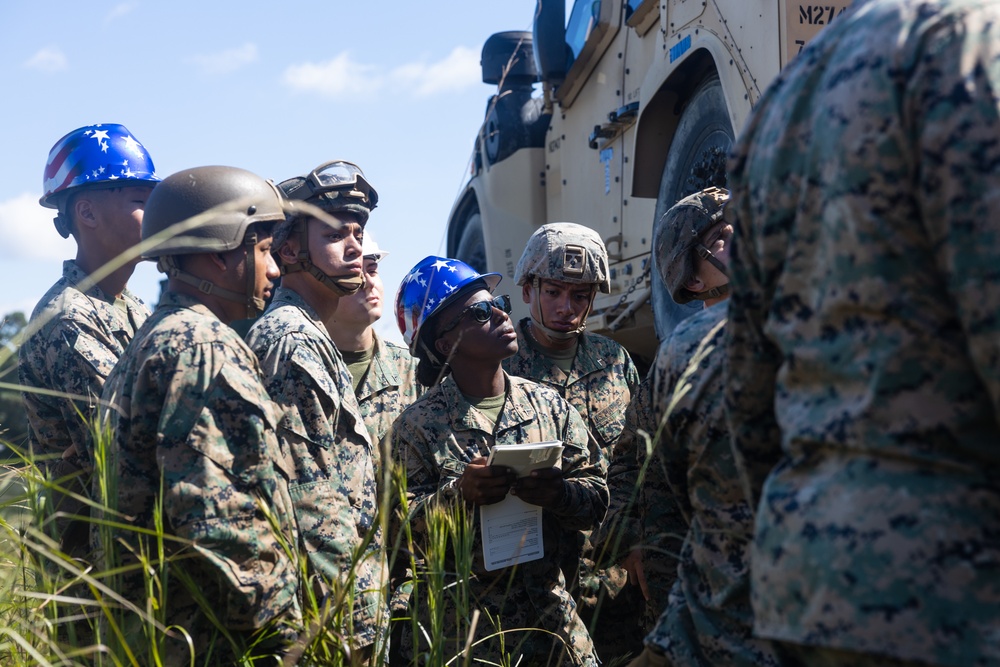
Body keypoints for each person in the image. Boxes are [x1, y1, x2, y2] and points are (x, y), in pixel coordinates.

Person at [725, 1, 1000, 666]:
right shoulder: (968, 41)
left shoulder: (782, 99)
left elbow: (749, 394)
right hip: (958, 589)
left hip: (816, 584)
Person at [97, 166, 301, 665]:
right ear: (218, 252)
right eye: (263, 251)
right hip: (214, 641)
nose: (275, 269)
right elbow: (216, 517)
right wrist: (287, 631)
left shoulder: (155, 337)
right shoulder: (202, 346)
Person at [391, 255, 608, 666]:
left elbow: (598, 498)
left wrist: (559, 493)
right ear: (444, 344)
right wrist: (459, 496)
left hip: (554, 628)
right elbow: (397, 537)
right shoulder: (416, 428)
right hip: (468, 640)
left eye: (499, 303)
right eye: (479, 312)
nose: (501, 315)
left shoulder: (549, 406)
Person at [627, 187, 779, 667]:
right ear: (691, 280)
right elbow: (655, 497)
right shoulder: (676, 365)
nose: (739, 235)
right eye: (718, 235)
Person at [245, 160, 386, 663]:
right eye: (334, 234)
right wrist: (351, 630)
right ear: (288, 250)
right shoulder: (293, 339)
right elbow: (311, 503)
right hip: (330, 623)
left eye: (359, 231)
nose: (356, 247)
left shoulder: (310, 333)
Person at [502, 222, 643, 660]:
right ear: (527, 289)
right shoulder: (500, 364)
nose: (566, 307)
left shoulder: (613, 361)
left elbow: (641, 461)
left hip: (614, 577)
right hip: (532, 584)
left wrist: (637, 543)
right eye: (554, 292)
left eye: (580, 296)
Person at [18, 123, 159, 557]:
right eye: (140, 201)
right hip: (95, 569)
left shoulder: (134, 308)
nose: (155, 214)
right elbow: (125, 439)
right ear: (88, 213)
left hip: (132, 547)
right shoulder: (68, 318)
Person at [326, 230, 422, 454]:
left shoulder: (413, 370)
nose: (369, 283)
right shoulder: (303, 363)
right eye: (356, 272)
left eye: (372, 270)